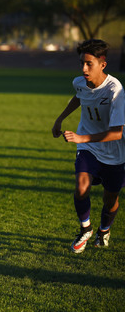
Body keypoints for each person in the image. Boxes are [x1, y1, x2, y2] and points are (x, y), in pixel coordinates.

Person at [52, 39, 125, 253]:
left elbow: (117, 133)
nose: (84, 69)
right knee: (81, 187)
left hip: (115, 152)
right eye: (82, 63)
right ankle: (86, 228)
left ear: (102, 64)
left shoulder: (116, 91)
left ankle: (104, 230)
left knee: (110, 199)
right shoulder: (79, 82)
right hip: (89, 148)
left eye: (89, 64)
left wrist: (81, 138)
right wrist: (60, 119)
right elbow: (79, 96)